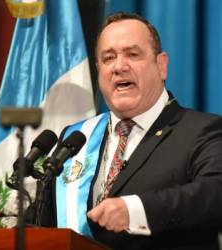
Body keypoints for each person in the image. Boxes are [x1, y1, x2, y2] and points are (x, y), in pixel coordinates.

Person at [37, 12, 222, 250]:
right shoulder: (75, 139)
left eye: (132, 54)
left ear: (161, 65)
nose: (119, 66)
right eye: (108, 58)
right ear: (99, 70)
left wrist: (135, 211)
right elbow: (45, 223)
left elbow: (215, 193)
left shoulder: (202, 131)